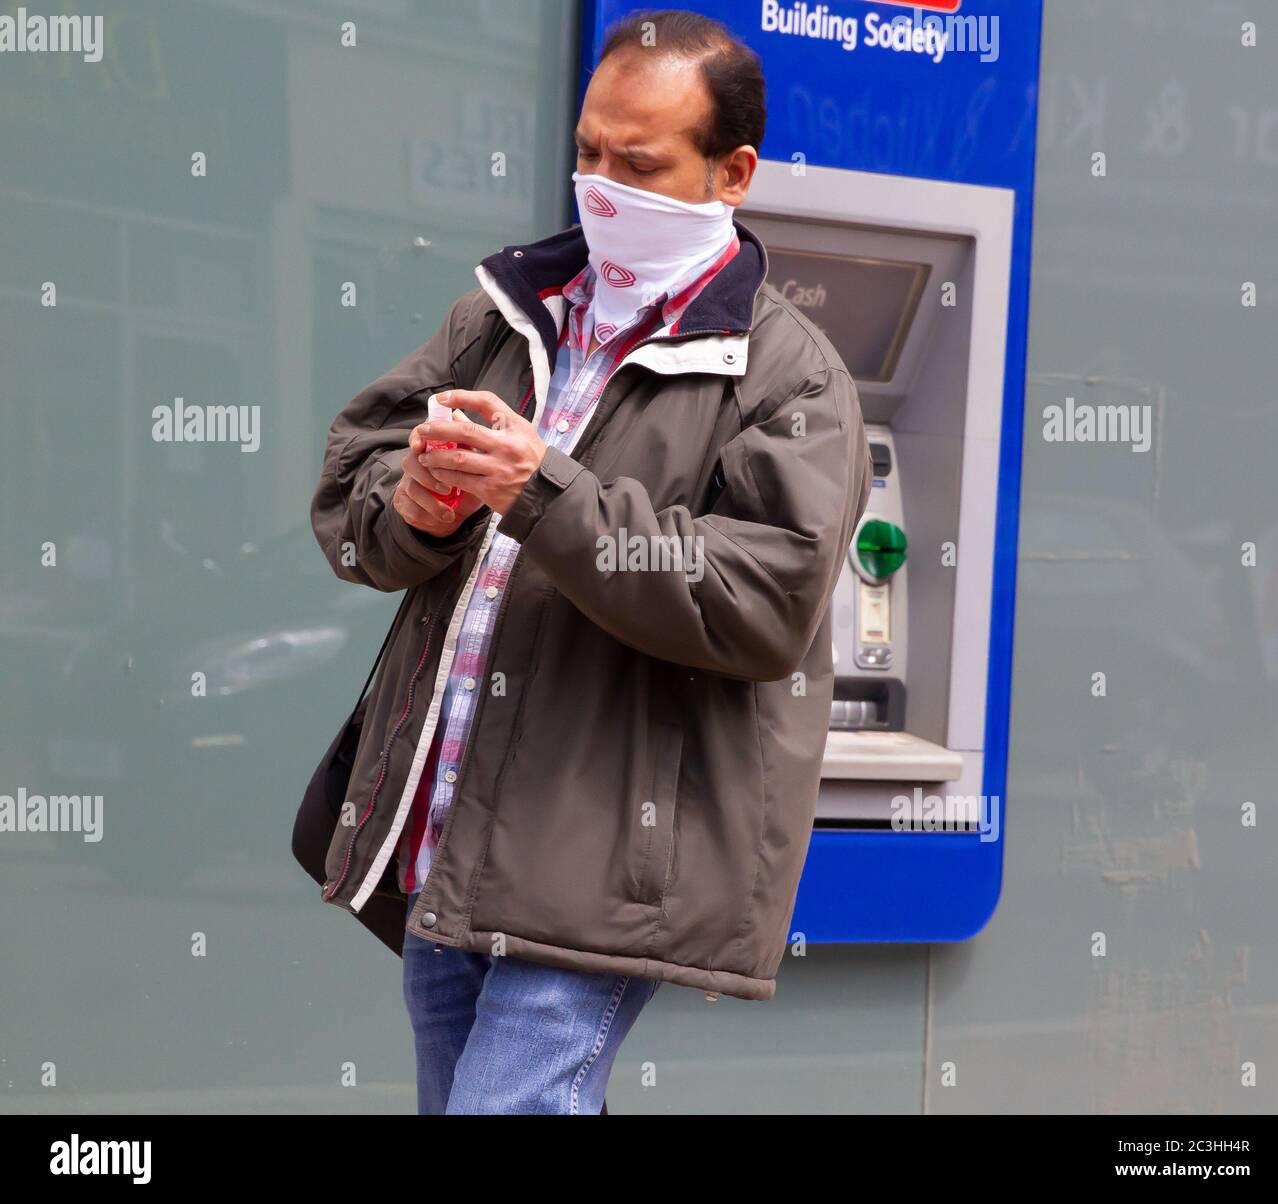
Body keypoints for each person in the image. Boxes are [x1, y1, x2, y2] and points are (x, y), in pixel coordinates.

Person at [309, 7, 870, 1115]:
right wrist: (415, 506)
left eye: (640, 161)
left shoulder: (789, 375)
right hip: (449, 832)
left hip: (607, 862)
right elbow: (353, 483)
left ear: (733, 170)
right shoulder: (504, 316)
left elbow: (760, 600)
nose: (601, 183)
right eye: (587, 151)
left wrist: (540, 491)